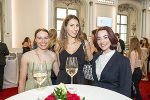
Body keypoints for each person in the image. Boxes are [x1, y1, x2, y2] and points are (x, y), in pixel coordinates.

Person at [92, 26, 132, 97]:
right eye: (99, 38)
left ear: (111, 38)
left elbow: (126, 90)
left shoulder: (123, 61)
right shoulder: (96, 57)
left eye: (105, 37)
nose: (102, 41)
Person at [18, 28, 59, 93]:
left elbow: (59, 75)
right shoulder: (26, 56)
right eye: (39, 38)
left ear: (49, 39)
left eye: (46, 38)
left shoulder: (53, 55)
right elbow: (22, 81)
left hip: (47, 91)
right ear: (35, 40)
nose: (43, 41)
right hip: (31, 91)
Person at [56, 15, 93, 84]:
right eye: (72, 25)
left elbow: (92, 62)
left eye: (77, 25)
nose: (75, 28)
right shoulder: (59, 45)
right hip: (63, 81)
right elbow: (59, 65)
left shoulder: (84, 44)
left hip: (80, 81)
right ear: (65, 27)